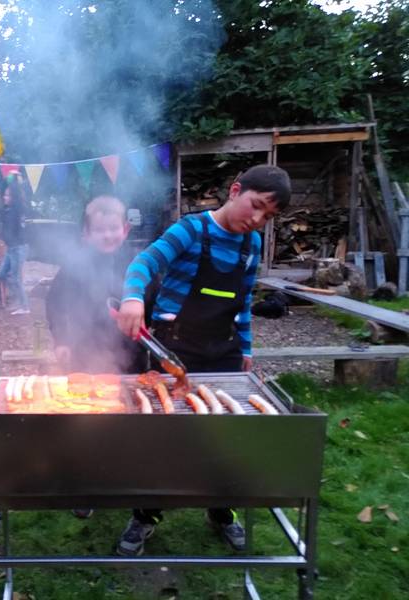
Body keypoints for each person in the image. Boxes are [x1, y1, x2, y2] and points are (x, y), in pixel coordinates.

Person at [114, 164, 291, 556]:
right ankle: (145, 514)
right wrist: (131, 298)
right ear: (235, 190)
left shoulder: (252, 244)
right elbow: (144, 263)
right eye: (256, 206)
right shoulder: (191, 230)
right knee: (163, 437)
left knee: (224, 436)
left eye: (269, 216)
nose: (257, 219)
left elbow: (242, 302)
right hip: (174, 350)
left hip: (222, 350)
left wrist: (244, 348)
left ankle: (221, 509)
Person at [46, 195, 148, 375]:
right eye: (99, 230)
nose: (107, 235)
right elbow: (55, 304)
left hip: (131, 358)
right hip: (84, 354)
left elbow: (154, 300)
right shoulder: (73, 266)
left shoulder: (138, 264)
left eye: (113, 228)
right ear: (86, 234)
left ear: (125, 229)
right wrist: (61, 340)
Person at [0, 172, 30, 315]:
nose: (5, 197)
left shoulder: (18, 209)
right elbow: (1, 190)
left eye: (8, 195)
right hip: (11, 248)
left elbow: (17, 192)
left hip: (19, 248)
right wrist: (7, 179)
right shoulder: (6, 210)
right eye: (5, 195)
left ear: (14, 197)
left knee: (16, 278)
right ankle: (18, 298)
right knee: (2, 273)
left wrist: (15, 180)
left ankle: (24, 307)